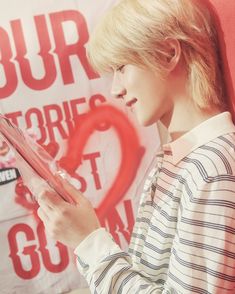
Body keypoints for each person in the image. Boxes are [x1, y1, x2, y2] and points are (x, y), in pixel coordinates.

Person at [37, 0, 235, 292]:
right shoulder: (181, 159)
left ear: (169, 53)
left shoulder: (213, 170)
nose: (115, 89)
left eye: (122, 68)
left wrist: (89, 240)